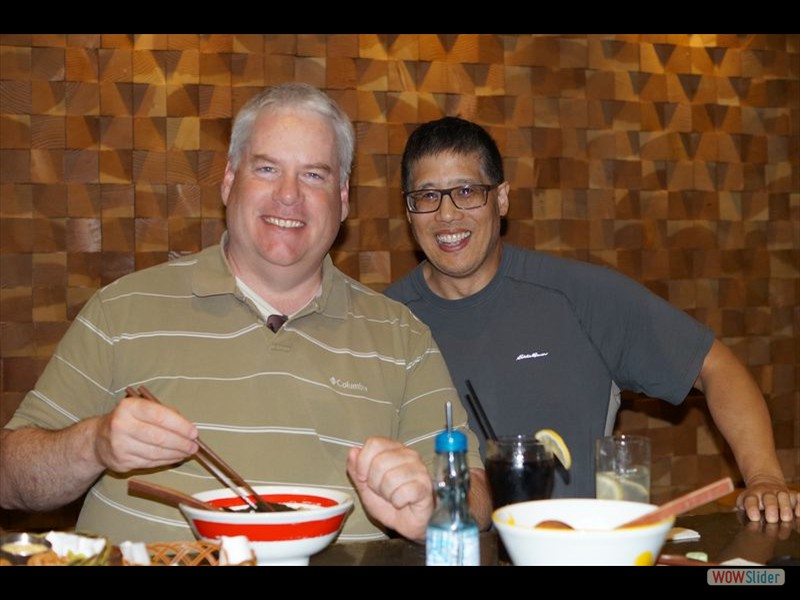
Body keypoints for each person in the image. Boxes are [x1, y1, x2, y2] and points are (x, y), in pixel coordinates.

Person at [0, 85, 492, 544]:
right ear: (229, 180)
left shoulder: (401, 336)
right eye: (267, 168)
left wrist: (434, 505)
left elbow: (475, 490)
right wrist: (94, 443)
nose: (289, 195)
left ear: (343, 200)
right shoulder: (121, 310)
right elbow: (10, 478)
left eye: (314, 175)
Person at [385, 116, 799, 523]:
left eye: (467, 191)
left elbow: (715, 365)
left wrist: (763, 477)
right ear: (408, 210)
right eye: (427, 196)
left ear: (503, 198)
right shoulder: (383, 322)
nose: (447, 214)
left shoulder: (576, 295)